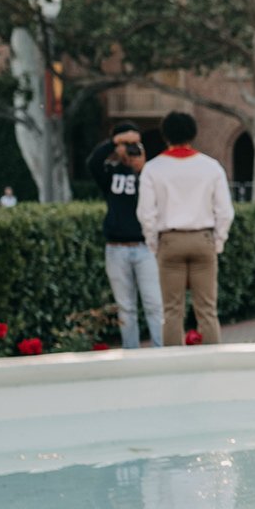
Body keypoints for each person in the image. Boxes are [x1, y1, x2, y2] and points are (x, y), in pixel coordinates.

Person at [138, 112, 234, 346]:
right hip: (203, 239)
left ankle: (174, 368)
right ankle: (212, 363)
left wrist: (154, 243)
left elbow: (145, 213)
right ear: (193, 133)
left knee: (172, 311)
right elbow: (225, 211)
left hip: (170, 241)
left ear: (165, 135)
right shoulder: (211, 167)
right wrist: (217, 242)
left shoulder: (153, 168)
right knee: (207, 311)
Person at [88, 127, 165, 348]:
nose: (131, 151)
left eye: (135, 145)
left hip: (145, 247)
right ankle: (131, 352)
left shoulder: (148, 175)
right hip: (116, 247)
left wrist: (141, 169)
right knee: (126, 307)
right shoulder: (110, 173)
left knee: (153, 303)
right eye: (127, 145)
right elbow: (93, 163)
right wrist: (114, 143)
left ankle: (160, 350)